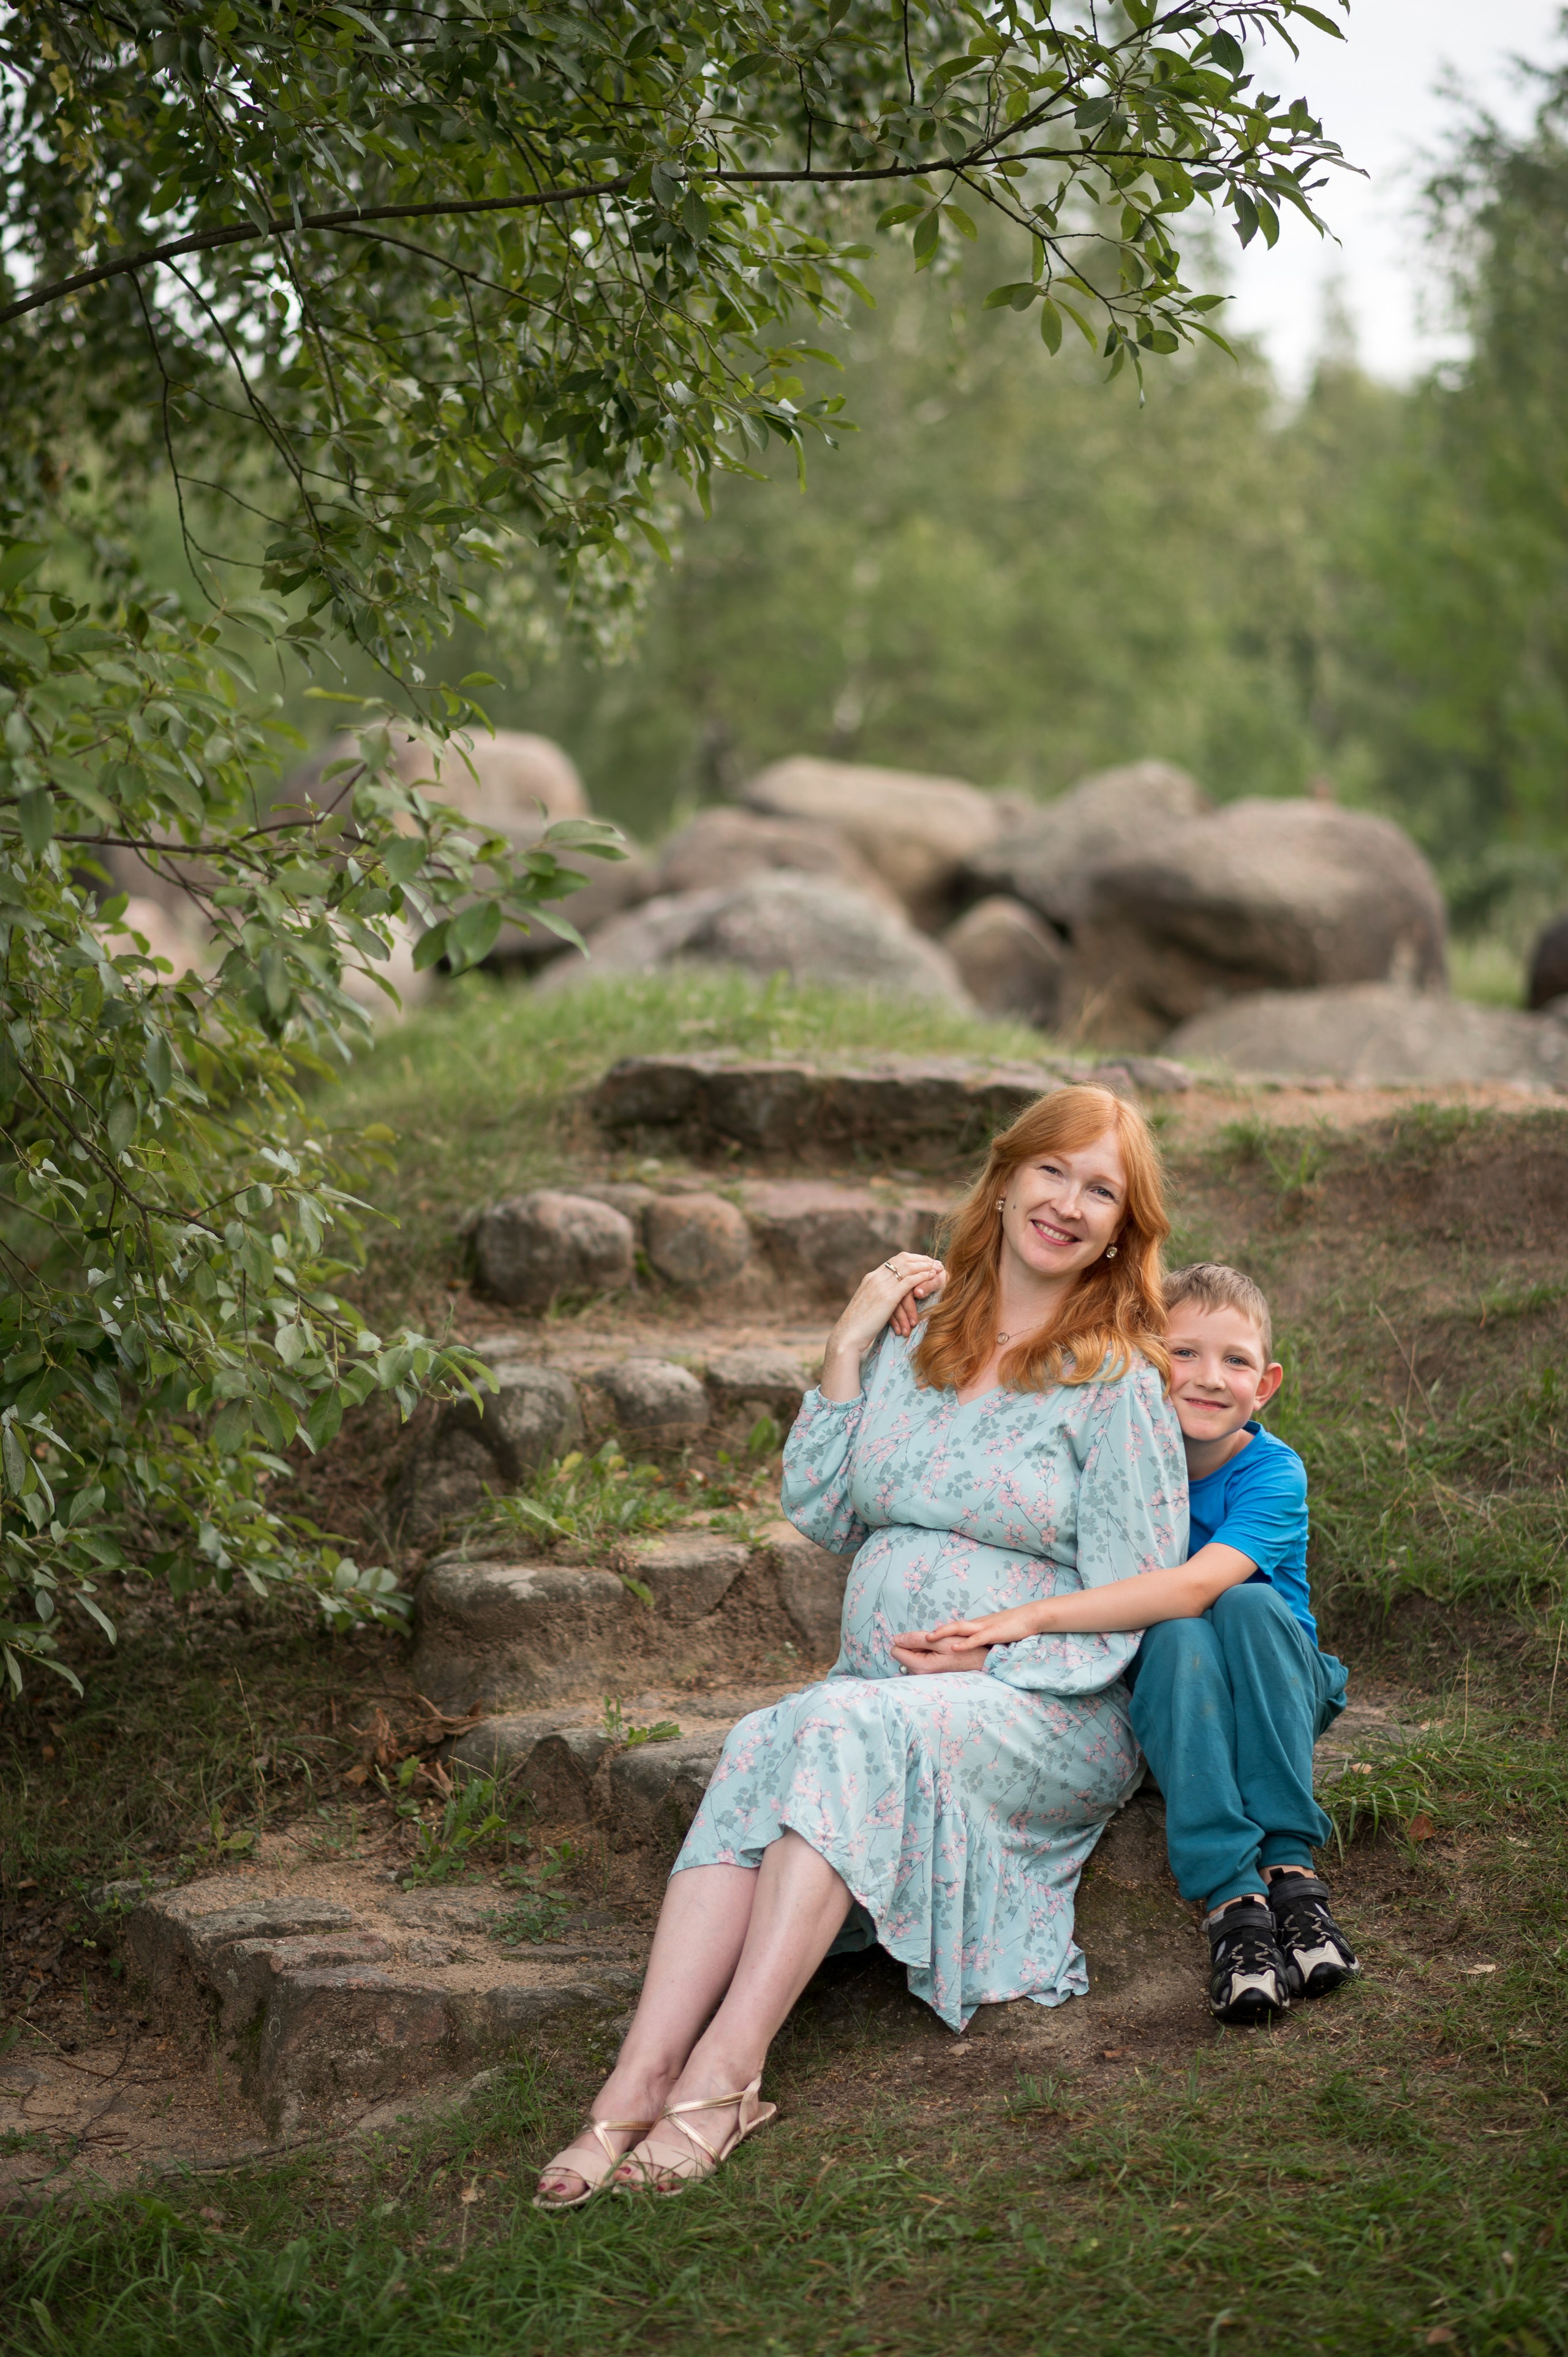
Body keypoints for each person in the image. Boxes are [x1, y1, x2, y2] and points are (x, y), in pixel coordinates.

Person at [533, 1084, 1187, 2208]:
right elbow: (828, 1508)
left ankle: (724, 2073)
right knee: (760, 1739)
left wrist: (1002, 1654)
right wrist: (846, 1339)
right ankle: (634, 2078)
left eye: (1102, 1191)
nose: (1069, 1204)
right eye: (1053, 1172)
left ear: (1124, 1228)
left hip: (1043, 1707)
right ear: (1006, 1178)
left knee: (832, 1724)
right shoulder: (922, 1337)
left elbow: (1139, 1588)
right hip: (882, 1692)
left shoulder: (1116, 1378)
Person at [911, 1262, 1359, 2026]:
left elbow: (1192, 1584)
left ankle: (1291, 1869)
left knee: (1240, 1603)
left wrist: (1028, 1620)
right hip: (1174, 1697)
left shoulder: (1273, 1472)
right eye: (1183, 1352)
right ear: (1145, 1357)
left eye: (1235, 1360)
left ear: (1267, 1381)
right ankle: (1233, 1906)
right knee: (1177, 1635)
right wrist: (989, 1651)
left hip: (1276, 1690)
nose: (1209, 1377)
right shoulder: (1116, 1462)